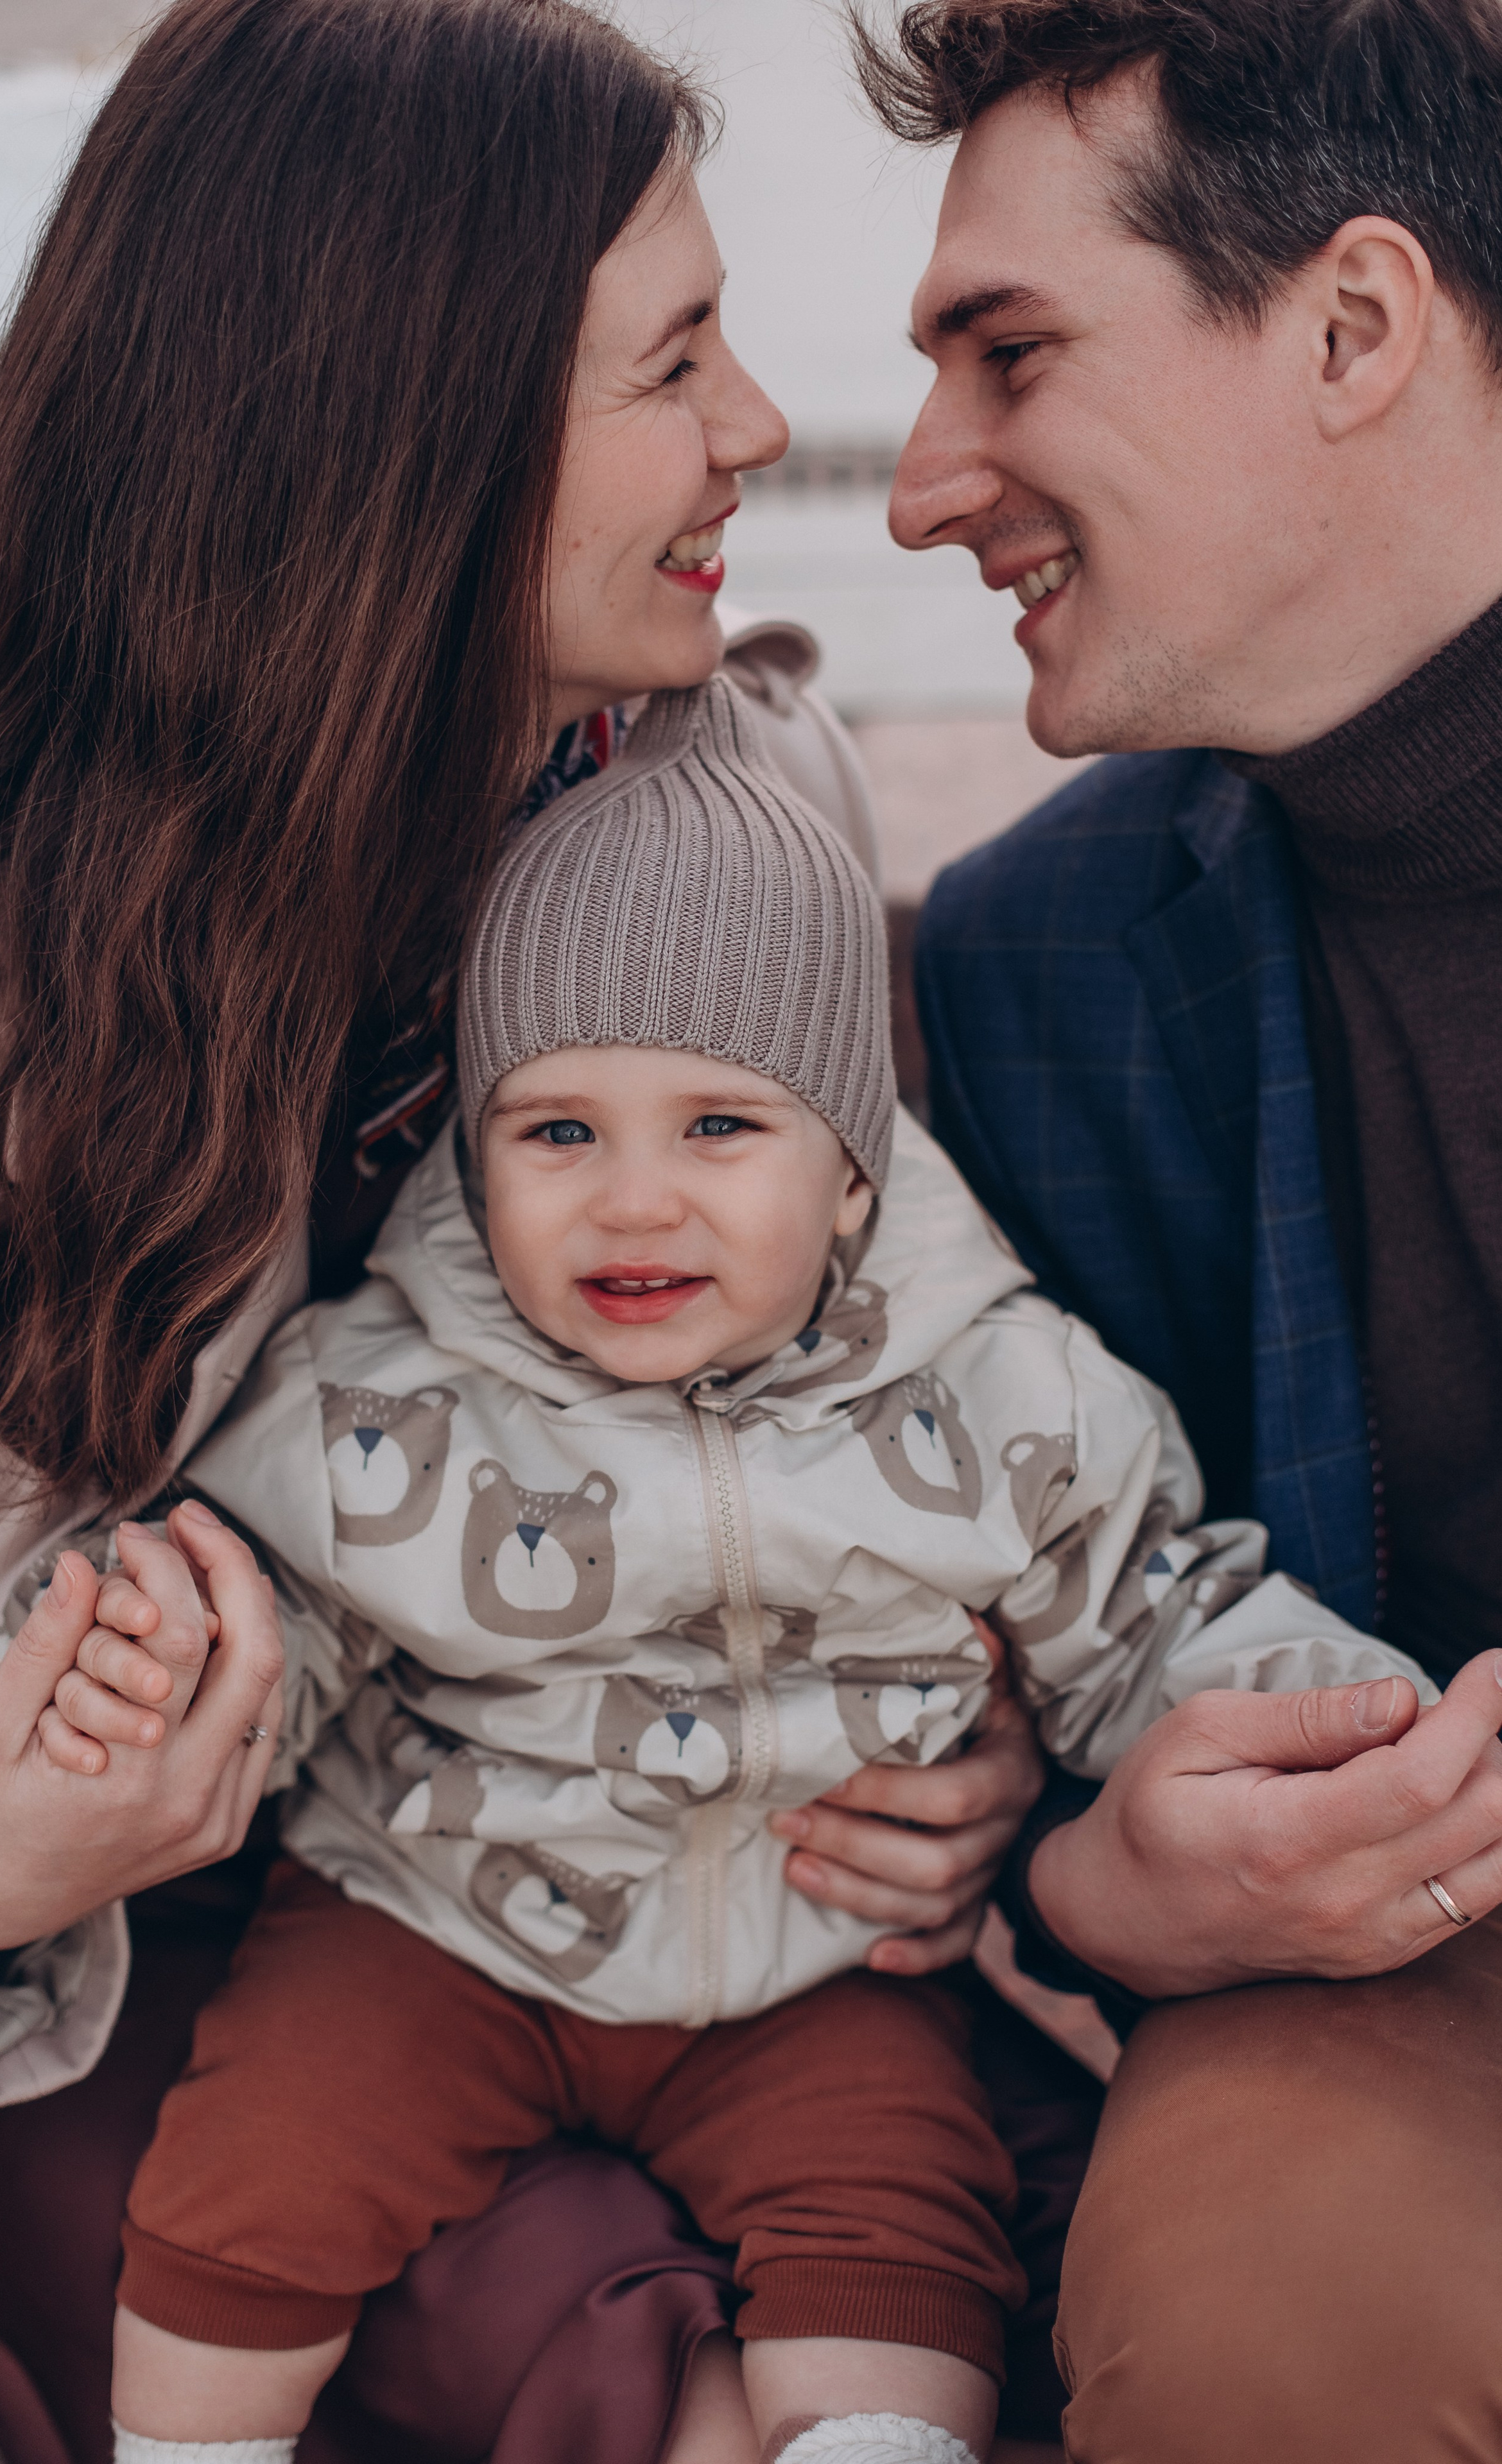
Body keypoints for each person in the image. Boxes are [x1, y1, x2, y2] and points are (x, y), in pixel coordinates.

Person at [0, 5, 1056, 2461]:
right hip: (175, 1984)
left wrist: (983, 1745)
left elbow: (898, 1394)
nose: (755, 427)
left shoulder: (751, 800)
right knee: (625, 2360)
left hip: (716, 1892)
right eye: (673, 362)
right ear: (395, 434)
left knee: (969, 2272)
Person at [32, 674, 1422, 2464]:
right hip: (433, 1920)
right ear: (475, 1155)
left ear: (851, 1174)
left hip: (816, 1951)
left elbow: (1149, 1602)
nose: (631, 1201)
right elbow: (279, 1623)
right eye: (558, 1132)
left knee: (900, 2224)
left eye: (718, 1128)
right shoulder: (384, 1393)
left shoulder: (1000, 1394)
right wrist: (168, 1665)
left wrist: (1347, 1722)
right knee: (253, 2169)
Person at [852, 0, 1502, 2451]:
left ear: (1353, 326)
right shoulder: (1040, 961)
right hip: (1425, 1967)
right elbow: (1033, 1707)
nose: (924, 487)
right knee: (1264, 2306)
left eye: (1008, 354)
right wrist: (1100, 1888)